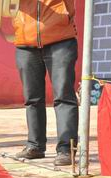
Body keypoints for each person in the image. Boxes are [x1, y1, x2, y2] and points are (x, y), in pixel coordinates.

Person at [12, 0, 79, 166]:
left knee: (64, 97)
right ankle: (35, 145)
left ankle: (66, 149)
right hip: (25, 42)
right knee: (32, 99)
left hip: (60, 39)